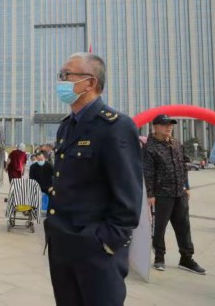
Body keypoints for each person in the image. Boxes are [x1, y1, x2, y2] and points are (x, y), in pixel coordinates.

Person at [44, 52, 143, 306]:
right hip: (63, 246)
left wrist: (106, 243)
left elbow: (128, 197)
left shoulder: (116, 126)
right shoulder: (67, 126)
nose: (62, 81)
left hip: (95, 251)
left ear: (90, 82)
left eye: (67, 75)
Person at [142, 114, 206, 275]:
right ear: (155, 127)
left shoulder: (176, 143)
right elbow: (148, 172)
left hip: (180, 193)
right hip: (161, 194)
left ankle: (186, 258)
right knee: (160, 228)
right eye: (165, 124)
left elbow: (183, 164)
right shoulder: (150, 147)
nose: (169, 127)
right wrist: (150, 194)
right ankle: (159, 257)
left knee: (184, 227)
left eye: (171, 124)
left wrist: (187, 186)